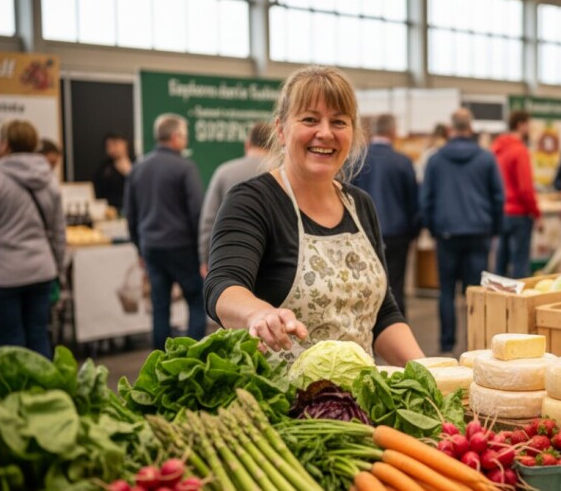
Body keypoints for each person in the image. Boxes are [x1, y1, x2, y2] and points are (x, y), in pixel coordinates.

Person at [204, 65, 424, 366]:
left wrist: (427, 372)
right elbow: (223, 284)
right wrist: (258, 313)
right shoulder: (252, 201)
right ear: (281, 129)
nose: (325, 133)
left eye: (339, 122)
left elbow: (383, 314)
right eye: (310, 119)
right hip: (278, 392)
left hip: (357, 391)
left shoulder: (359, 204)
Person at [0, 119, 66, 358]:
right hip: (41, 273)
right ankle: (44, 382)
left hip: (2, 278)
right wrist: (59, 271)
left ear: (5, 144)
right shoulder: (49, 181)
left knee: (10, 342)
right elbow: (59, 234)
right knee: (39, 335)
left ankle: (18, 384)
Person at [421, 108, 504, 353]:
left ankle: (446, 344)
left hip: (447, 233)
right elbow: (498, 197)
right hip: (479, 232)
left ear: (451, 128)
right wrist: (494, 228)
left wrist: (433, 228)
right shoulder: (486, 158)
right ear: (471, 127)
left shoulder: (436, 159)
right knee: (475, 292)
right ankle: (474, 343)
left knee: (446, 291)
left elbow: (426, 199)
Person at [124, 114, 206, 350]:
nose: (186, 142)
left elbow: (130, 213)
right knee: (196, 302)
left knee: (159, 307)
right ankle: (193, 358)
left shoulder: (138, 168)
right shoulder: (185, 168)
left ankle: (160, 360)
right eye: (185, 137)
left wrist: (139, 248)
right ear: (175, 137)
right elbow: (197, 213)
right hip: (182, 248)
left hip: (151, 247)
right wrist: (203, 252)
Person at [352, 114, 419, 316]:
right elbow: (413, 201)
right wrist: (413, 231)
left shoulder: (357, 160)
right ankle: (398, 326)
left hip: (363, 234)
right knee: (396, 286)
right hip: (398, 233)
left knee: (365, 285)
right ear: (393, 131)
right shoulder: (403, 162)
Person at [198, 122, 273, 276]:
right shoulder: (282, 173)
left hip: (229, 260)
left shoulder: (224, 172)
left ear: (247, 144)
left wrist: (205, 258)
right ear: (273, 145)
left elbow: (209, 220)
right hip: (273, 261)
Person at [491, 110, 539, 278]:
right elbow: (525, 188)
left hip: (501, 212)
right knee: (520, 263)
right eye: (528, 125)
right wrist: (536, 212)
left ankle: (497, 294)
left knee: (500, 261)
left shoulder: (495, 149)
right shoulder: (519, 151)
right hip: (519, 214)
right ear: (521, 125)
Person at [93, 131, 134, 213]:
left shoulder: (137, 164)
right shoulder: (103, 168)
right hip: (110, 211)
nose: (112, 149)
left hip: (132, 209)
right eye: (108, 146)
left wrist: (129, 172)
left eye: (115, 144)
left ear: (125, 144)